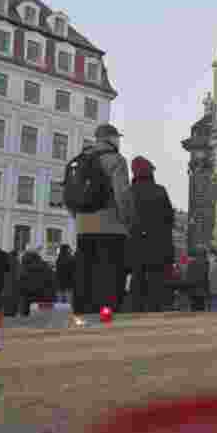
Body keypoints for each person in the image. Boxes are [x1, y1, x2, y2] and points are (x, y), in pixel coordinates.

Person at [70, 124, 134, 315]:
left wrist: (79, 217)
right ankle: (107, 316)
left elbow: (70, 195)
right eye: (117, 138)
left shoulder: (80, 160)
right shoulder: (116, 160)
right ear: (110, 138)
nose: (119, 141)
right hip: (110, 226)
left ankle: (82, 315)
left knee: (85, 274)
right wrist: (126, 221)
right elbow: (122, 195)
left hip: (84, 226)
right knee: (109, 276)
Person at [126, 155, 174, 313]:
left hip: (135, 245)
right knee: (156, 284)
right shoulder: (160, 191)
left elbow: (124, 218)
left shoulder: (129, 192)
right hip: (158, 246)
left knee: (137, 280)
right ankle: (154, 314)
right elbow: (169, 218)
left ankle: (135, 313)